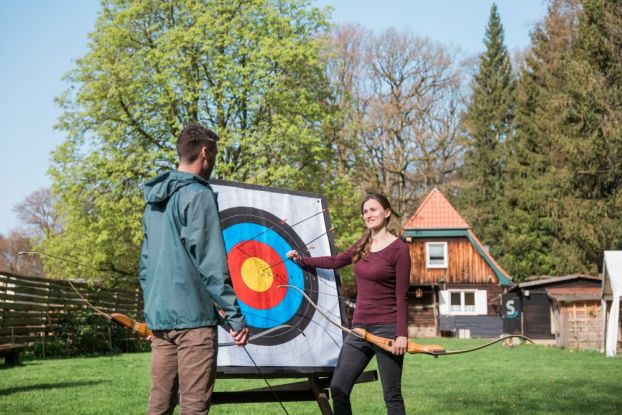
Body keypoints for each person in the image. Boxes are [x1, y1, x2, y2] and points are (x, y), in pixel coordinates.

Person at [139, 124, 249, 415]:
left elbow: (145, 266)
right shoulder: (198, 194)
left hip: (161, 320)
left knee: (158, 406)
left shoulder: (154, 202)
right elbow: (210, 261)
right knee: (194, 407)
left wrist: (152, 313)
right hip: (193, 323)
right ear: (204, 152)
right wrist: (235, 316)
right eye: (213, 153)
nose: (212, 161)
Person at [287, 193, 410, 415]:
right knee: (338, 387)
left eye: (373, 210)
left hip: (387, 330)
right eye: (365, 211)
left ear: (387, 212)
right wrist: (302, 260)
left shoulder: (399, 249)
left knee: (392, 395)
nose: (368, 215)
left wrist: (401, 334)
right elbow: (336, 261)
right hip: (359, 329)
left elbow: (402, 296)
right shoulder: (363, 244)